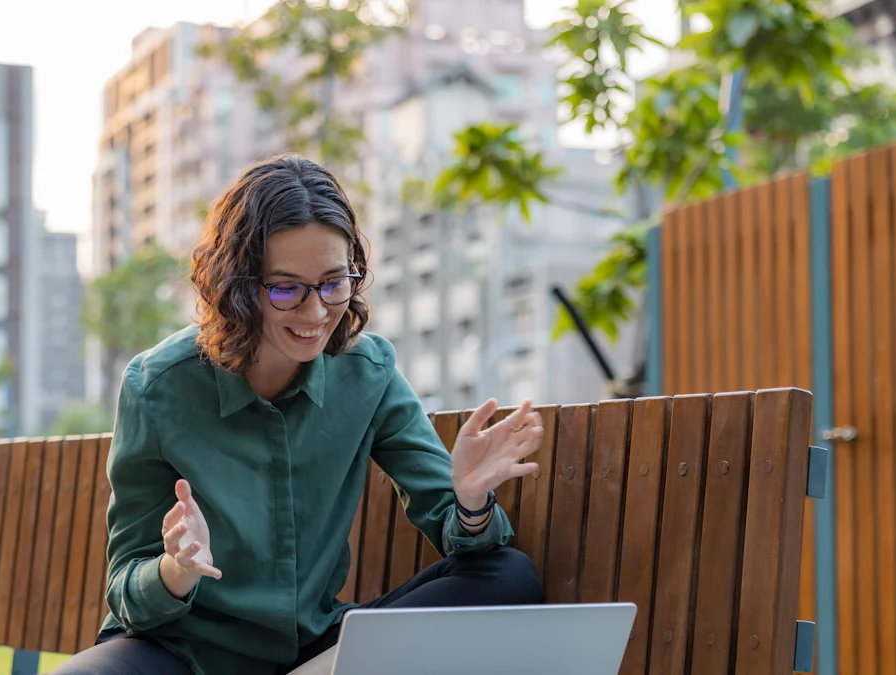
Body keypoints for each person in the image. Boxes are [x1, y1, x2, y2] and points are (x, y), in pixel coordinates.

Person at [54, 156, 545, 675]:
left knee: (507, 576)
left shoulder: (369, 373)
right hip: (184, 653)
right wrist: (176, 569)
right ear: (237, 286)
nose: (316, 314)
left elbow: (463, 534)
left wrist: (470, 502)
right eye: (285, 288)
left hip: (312, 650)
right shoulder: (157, 388)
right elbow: (125, 585)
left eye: (334, 283)